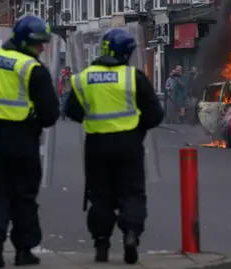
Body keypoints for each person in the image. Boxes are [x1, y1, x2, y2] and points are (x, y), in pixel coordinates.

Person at [64, 28, 164, 264]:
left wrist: (93, 117)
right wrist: (137, 129)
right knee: (132, 193)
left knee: (100, 196)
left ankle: (101, 243)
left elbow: (71, 111)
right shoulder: (133, 78)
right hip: (129, 144)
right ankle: (130, 234)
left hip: (97, 145)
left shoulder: (83, 78)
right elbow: (155, 114)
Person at [0, 15, 59, 268]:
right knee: (23, 197)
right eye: (38, 44)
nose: (42, 49)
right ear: (24, 42)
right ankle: (23, 251)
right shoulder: (33, 69)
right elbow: (50, 115)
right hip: (22, 140)